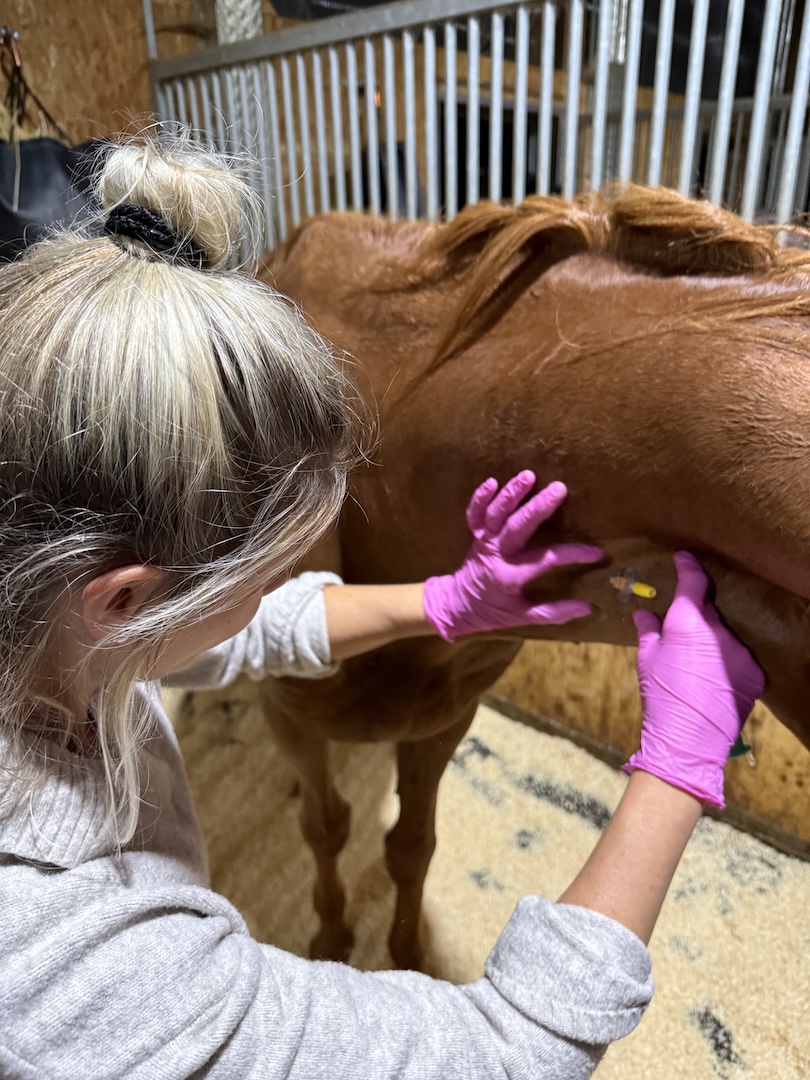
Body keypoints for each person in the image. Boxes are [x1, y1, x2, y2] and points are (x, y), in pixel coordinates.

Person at [0, 132, 764, 1080]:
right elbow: (505, 1053)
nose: (274, 591)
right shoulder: (75, 976)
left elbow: (209, 644)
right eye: (264, 572)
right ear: (123, 599)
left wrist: (446, 602)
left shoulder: (40, 620)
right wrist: (678, 766)